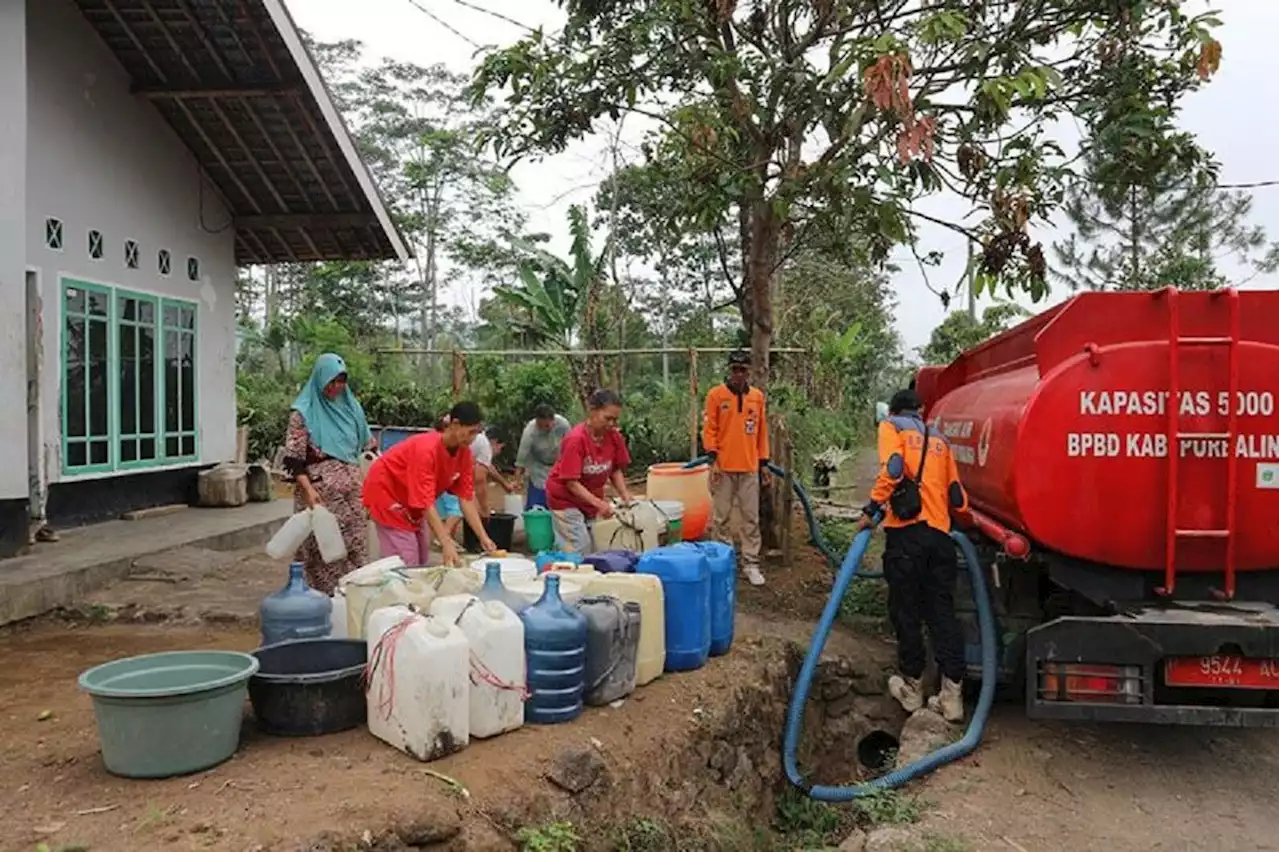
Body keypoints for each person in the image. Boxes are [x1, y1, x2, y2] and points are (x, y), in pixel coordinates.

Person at [856, 388, 970, 723]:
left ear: (893, 411)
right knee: (940, 612)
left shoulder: (892, 427)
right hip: (941, 538)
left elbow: (893, 469)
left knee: (905, 608)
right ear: (920, 411)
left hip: (907, 534)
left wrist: (871, 509)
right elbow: (958, 497)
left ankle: (911, 687)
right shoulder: (941, 440)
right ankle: (952, 698)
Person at [362, 401, 497, 567]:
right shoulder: (426, 450)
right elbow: (426, 503)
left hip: (412, 501)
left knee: (422, 556)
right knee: (406, 560)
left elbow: (466, 498)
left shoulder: (464, 454)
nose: (472, 439)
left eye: (476, 434)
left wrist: (483, 537)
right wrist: (446, 542)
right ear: (455, 424)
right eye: (470, 432)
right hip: (387, 492)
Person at [281, 353, 373, 594]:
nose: (336, 387)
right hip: (320, 495)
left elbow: (369, 448)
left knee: (355, 546)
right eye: (331, 381)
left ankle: (354, 598)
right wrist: (309, 490)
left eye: (341, 381)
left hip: (353, 494)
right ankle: (322, 602)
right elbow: (293, 459)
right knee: (324, 550)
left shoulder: (351, 408)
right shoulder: (303, 412)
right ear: (320, 379)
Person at [702, 350, 770, 587]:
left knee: (751, 518)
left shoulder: (757, 397)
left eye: (743, 370)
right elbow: (709, 429)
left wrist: (763, 464)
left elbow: (762, 432)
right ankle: (723, 561)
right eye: (735, 370)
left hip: (749, 467)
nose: (739, 374)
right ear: (729, 370)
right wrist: (714, 460)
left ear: (749, 371)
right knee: (721, 517)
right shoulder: (716, 396)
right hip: (724, 468)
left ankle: (750, 562)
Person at [545, 389, 634, 554]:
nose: (611, 424)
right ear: (592, 411)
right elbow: (571, 482)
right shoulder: (575, 439)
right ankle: (568, 575)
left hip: (590, 498)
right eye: (607, 418)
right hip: (565, 498)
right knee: (580, 546)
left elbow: (615, 469)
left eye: (615, 420)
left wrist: (625, 495)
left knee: (597, 544)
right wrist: (598, 503)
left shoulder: (614, 437)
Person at [515, 404, 571, 509]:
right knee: (537, 503)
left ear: (553, 419)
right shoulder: (530, 432)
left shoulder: (563, 425)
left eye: (549, 425)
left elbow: (571, 446)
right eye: (542, 426)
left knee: (560, 500)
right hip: (538, 466)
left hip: (558, 464)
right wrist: (517, 480)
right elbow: (521, 459)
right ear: (537, 422)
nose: (547, 428)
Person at [471, 426, 516, 517]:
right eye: (500, 448)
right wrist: (485, 508)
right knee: (458, 507)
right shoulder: (485, 445)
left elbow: (489, 468)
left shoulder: (479, 440)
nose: (499, 452)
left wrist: (505, 485)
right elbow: (479, 481)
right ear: (494, 441)